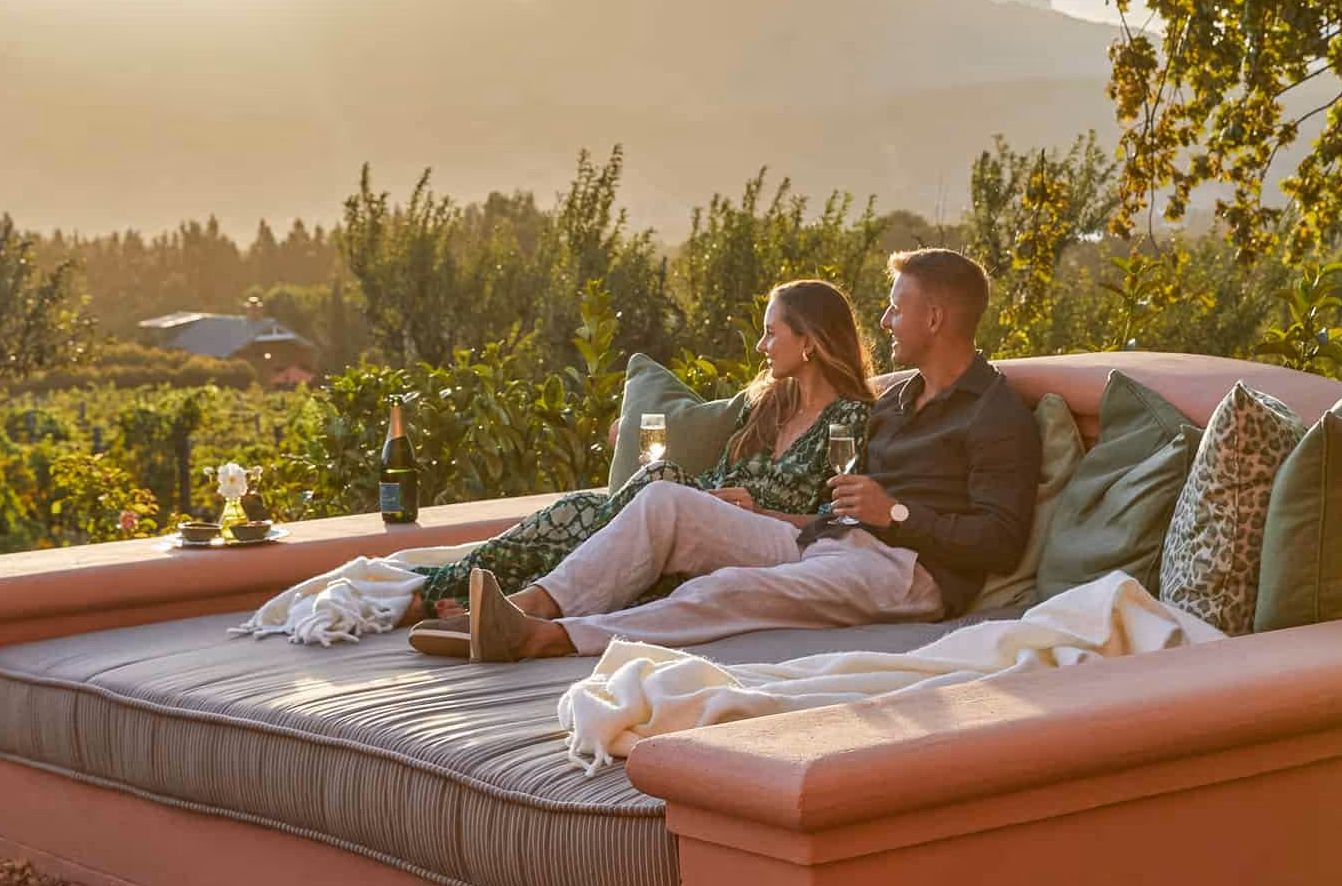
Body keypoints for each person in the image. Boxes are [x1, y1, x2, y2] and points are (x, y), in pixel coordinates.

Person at [460, 247, 1041, 662]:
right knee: (666, 502)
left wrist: (895, 513)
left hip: (910, 575)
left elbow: (1000, 541)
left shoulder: (994, 413)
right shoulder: (896, 400)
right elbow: (843, 512)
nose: (885, 321)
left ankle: (551, 638)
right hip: (836, 542)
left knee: (729, 588)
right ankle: (529, 605)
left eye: (897, 308)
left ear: (934, 318)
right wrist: (769, 517)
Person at [401, 279, 874, 652]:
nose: (760, 345)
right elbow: (713, 470)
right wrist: (626, 435)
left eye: (772, 333)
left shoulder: (849, 417)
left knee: (658, 481)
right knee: (577, 507)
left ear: (809, 341)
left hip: (773, 537)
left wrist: (761, 512)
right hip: (707, 517)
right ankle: (442, 597)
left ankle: (510, 604)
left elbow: (838, 521)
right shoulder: (767, 405)